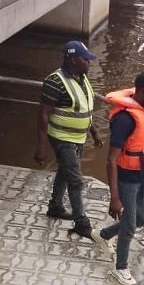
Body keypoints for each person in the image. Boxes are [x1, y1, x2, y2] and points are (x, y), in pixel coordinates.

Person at [90, 71, 144, 285]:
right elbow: (111, 160)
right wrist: (114, 197)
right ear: (141, 93)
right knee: (130, 225)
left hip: (142, 174)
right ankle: (120, 268)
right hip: (125, 179)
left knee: (141, 219)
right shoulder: (124, 119)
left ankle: (102, 235)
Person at [34, 40, 103, 238]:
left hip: (79, 137)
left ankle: (55, 206)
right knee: (75, 180)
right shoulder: (55, 82)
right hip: (62, 137)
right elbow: (43, 114)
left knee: (65, 171)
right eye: (85, 59)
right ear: (73, 60)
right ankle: (81, 222)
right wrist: (41, 146)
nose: (89, 63)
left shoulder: (82, 77)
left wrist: (95, 132)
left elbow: (84, 110)